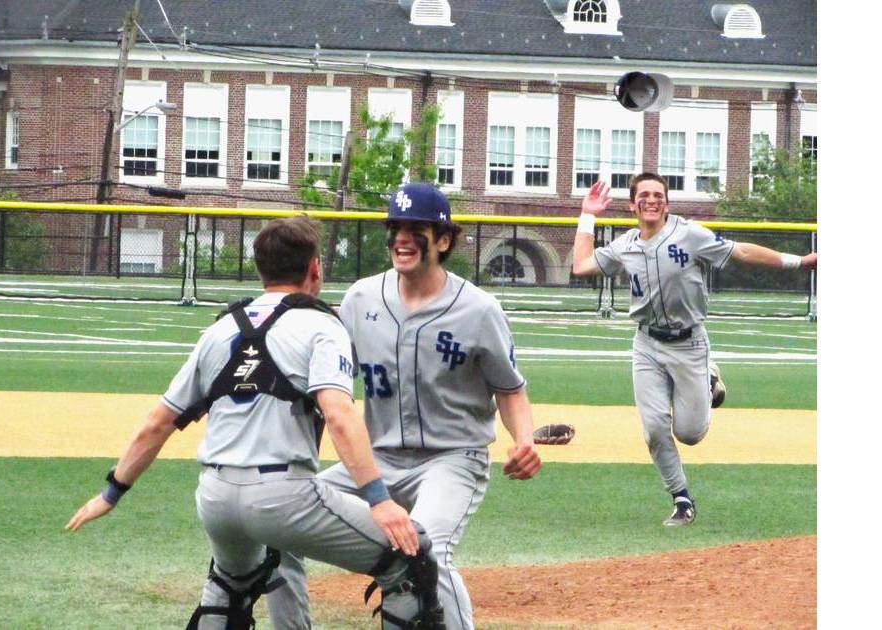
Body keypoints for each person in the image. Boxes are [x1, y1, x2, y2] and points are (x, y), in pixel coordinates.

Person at [65, 215, 446, 630]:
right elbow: (338, 414)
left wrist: (111, 493)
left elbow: (157, 422)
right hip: (284, 497)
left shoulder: (220, 329)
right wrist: (380, 501)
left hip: (215, 497)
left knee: (231, 584)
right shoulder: (322, 325)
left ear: (260, 268)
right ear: (314, 268)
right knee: (411, 560)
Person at [269, 182, 542, 630]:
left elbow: (509, 389)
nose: (401, 238)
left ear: (443, 239)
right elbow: (328, 382)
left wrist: (525, 440)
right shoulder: (361, 299)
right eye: (396, 227)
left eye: (416, 229)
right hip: (377, 460)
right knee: (279, 526)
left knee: (424, 550)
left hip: (451, 459)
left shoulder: (478, 309)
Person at [571, 174, 816, 526]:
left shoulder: (690, 234)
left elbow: (741, 252)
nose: (651, 200)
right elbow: (580, 266)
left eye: (658, 195)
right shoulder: (626, 244)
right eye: (644, 195)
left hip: (690, 344)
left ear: (667, 203)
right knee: (654, 428)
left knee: (689, 434)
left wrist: (799, 262)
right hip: (647, 344)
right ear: (632, 204)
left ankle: (708, 379)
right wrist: (588, 215)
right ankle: (682, 499)